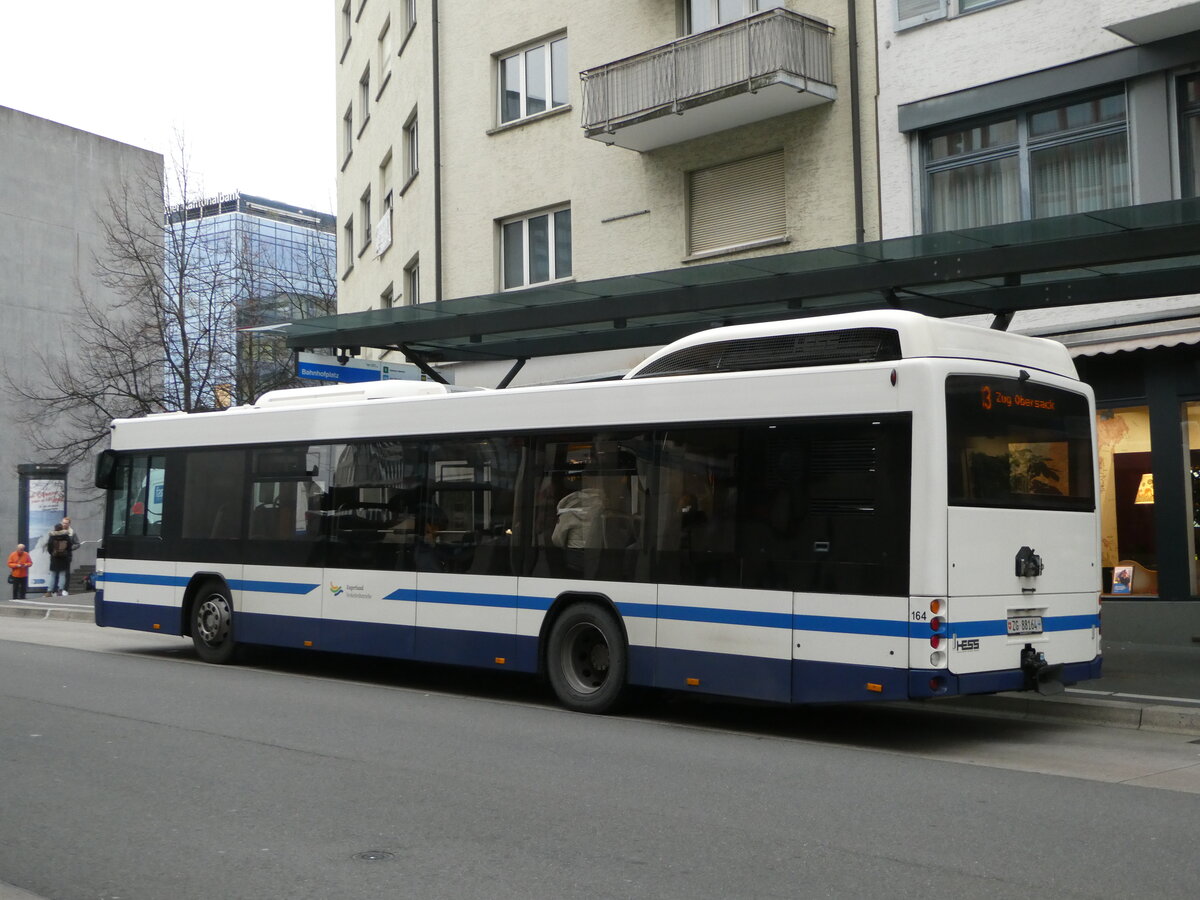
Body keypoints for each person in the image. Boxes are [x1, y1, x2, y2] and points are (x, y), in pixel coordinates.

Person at [44, 520, 76, 597]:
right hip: (64, 558)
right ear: (62, 528)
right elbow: (69, 546)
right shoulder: (66, 535)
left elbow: (49, 547)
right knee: (62, 574)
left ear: (55, 528)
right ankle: (60, 590)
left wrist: (52, 554)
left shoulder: (52, 536)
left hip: (54, 558)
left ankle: (49, 591)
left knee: (52, 574)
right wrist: (67, 554)